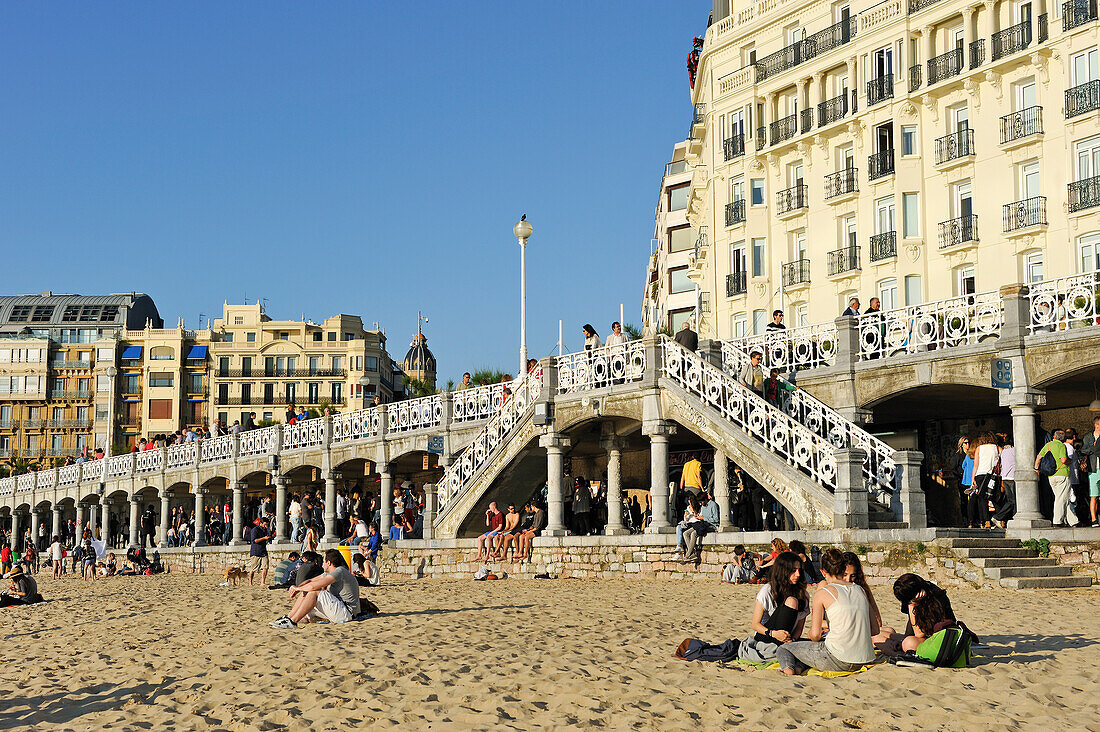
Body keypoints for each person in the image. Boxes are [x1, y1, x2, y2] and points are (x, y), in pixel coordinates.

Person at [776, 548, 879, 675]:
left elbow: (815, 636)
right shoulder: (860, 590)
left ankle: (788, 669)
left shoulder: (823, 592)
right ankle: (798, 667)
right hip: (864, 658)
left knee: (784, 649)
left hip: (838, 659)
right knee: (806, 652)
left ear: (823, 572)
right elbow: (875, 630)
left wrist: (811, 634)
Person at [736, 552, 810, 662]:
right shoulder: (768, 590)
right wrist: (774, 634)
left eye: (799, 570)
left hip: (788, 638)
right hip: (767, 637)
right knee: (791, 601)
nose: (798, 574)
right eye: (793, 570)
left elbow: (799, 627)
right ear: (783, 571)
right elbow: (755, 624)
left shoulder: (803, 594)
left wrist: (793, 639)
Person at [269, 549, 361, 629]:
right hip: (339, 610)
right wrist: (300, 588)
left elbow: (314, 587)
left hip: (346, 613)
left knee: (315, 592)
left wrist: (297, 589)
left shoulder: (340, 571)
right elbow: (310, 581)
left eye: (324, 561)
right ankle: (289, 618)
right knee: (306, 602)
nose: (322, 564)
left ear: (328, 563)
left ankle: (292, 622)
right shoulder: (331, 573)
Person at [1035, 429, 1075, 527]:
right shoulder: (1061, 445)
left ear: (1053, 437)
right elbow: (1063, 460)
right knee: (1061, 498)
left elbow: (1039, 457)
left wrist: (1036, 469)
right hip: (1062, 474)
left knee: (1062, 497)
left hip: (1051, 475)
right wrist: (1070, 461)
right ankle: (1057, 521)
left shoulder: (1048, 445)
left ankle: (1073, 521)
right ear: (1063, 439)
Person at [970, 432, 1000, 529]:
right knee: (994, 496)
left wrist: (973, 478)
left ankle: (986, 521)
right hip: (993, 475)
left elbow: (976, 464)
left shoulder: (979, 448)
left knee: (982, 498)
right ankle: (1000, 518)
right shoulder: (997, 447)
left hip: (981, 474)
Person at [992, 434, 1017, 527]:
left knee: (1011, 500)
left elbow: (995, 464)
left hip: (1005, 478)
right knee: (1013, 501)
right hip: (1013, 477)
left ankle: (1013, 518)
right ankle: (998, 517)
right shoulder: (1015, 451)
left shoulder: (1003, 451)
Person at [1081, 415, 1100, 527]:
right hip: (1093, 469)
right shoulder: (1088, 437)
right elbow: (1083, 450)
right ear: (1096, 425)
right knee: (1094, 495)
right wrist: (1093, 449)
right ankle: (1094, 519)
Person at [248, 518, 271, 587]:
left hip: (263, 550)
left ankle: (262, 582)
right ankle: (250, 582)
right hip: (256, 551)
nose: (266, 526)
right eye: (265, 524)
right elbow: (254, 541)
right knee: (253, 568)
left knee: (265, 567)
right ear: (261, 523)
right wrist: (264, 538)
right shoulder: (255, 530)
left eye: (267, 524)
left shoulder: (265, 529)